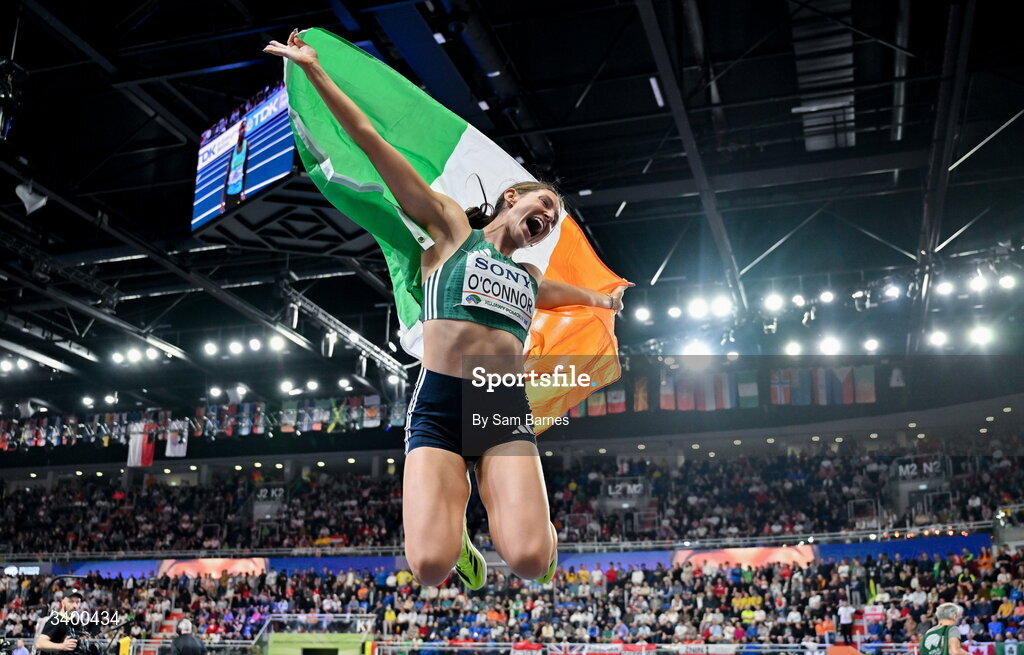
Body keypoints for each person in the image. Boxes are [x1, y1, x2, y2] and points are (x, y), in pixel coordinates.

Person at [265, 30, 630, 590]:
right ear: (514, 196)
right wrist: (316, 70)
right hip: (437, 401)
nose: (547, 220)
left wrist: (600, 299)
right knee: (430, 567)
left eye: (551, 222)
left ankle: (544, 536)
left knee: (532, 561)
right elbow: (371, 141)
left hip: (498, 404)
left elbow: (557, 294)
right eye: (545, 205)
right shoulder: (449, 228)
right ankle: (456, 540)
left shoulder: (530, 275)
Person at [220, 119, 249, 213]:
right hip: (229, 192)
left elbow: (245, 170)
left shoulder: (247, 145)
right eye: (241, 128)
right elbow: (226, 178)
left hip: (238, 190)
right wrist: (222, 203)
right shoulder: (232, 152)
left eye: (243, 128)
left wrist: (243, 192)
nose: (242, 131)